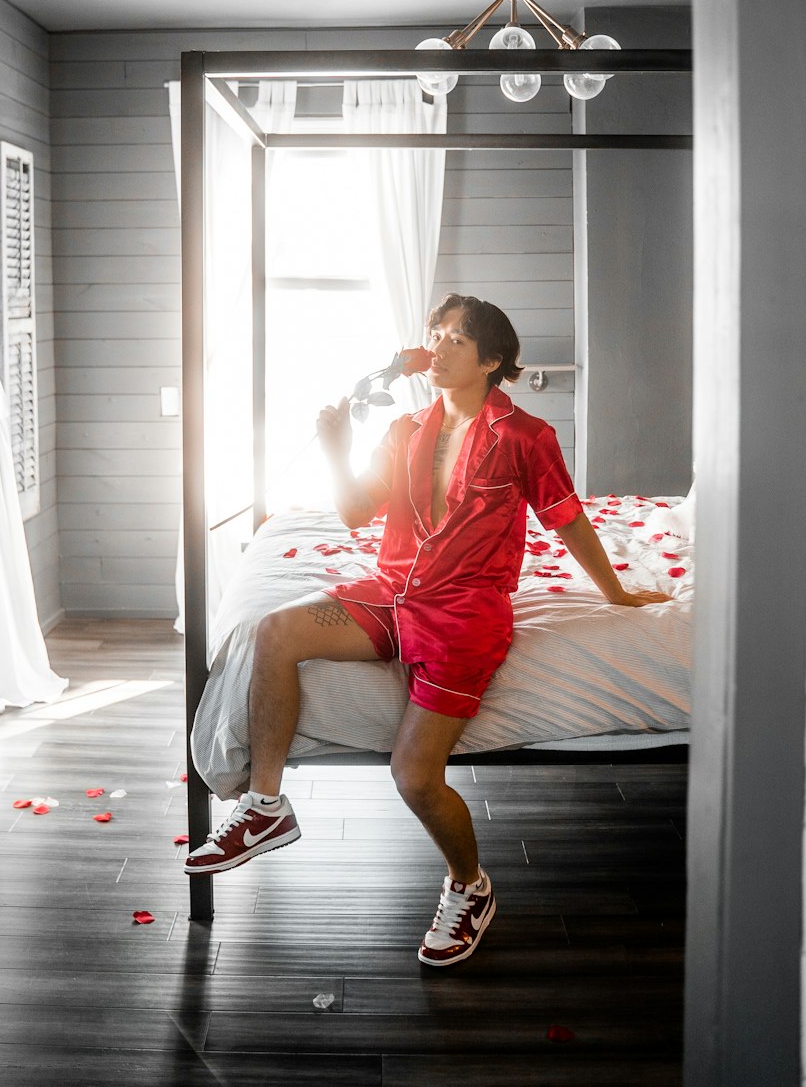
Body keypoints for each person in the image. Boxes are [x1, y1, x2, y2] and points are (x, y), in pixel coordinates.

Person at [184, 293, 671, 966]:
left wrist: (616, 591)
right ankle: (265, 804)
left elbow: (566, 519)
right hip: (391, 591)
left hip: (464, 615)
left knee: (414, 776)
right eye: (434, 335)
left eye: (454, 340)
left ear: (492, 359)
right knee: (275, 631)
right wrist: (337, 448)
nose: (436, 348)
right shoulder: (407, 428)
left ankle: (469, 886)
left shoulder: (526, 437)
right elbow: (356, 512)